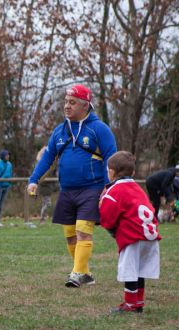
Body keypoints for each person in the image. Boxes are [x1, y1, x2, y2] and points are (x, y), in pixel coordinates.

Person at [27, 84, 117, 288]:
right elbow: (47, 157)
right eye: (66, 102)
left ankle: (76, 273)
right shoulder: (60, 131)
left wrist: (108, 186)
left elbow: (111, 159)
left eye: (72, 102)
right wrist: (33, 180)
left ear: (85, 106)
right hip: (67, 190)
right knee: (69, 235)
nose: (67, 106)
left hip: (92, 189)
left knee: (83, 230)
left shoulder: (99, 129)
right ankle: (85, 273)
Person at [99, 151, 161, 314]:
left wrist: (111, 229)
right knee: (140, 270)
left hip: (133, 236)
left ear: (111, 171)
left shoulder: (115, 190)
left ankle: (130, 304)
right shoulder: (138, 189)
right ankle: (138, 303)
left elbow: (107, 216)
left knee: (130, 270)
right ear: (132, 172)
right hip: (150, 235)